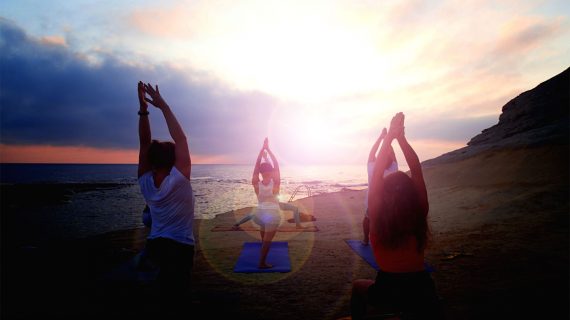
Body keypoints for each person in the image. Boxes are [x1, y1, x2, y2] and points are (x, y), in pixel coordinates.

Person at [351, 113, 443, 319]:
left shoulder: (377, 218)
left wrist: (389, 137)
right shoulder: (419, 214)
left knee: (358, 287)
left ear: (384, 194)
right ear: (410, 193)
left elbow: (376, 176)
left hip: (389, 288)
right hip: (422, 289)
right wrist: (400, 138)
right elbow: (416, 170)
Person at [136, 81, 195, 310]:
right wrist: (164, 106)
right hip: (179, 247)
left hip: (155, 245)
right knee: (177, 299)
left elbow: (143, 143)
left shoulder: (145, 182)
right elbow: (181, 139)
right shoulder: (179, 179)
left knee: (159, 295)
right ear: (173, 160)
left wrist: (143, 109)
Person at [232, 138, 286, 269]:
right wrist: (268, 150)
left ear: (261, 173)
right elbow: (276, 164)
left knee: (264, 235)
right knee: (268, 241)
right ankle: (262, 263)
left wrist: (262, 151)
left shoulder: (256, 183)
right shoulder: (276, 183)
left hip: (260, 213)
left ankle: (262, 253)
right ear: (271, 172)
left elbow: (256, 167)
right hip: (272, 213)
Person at [362, 128, 398, 245]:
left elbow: (372, 153)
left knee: (368, 219)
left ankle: (366, 240)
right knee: (386, 220)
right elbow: (392, 154)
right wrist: (388, 139)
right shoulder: (393, 170)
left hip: (372, 202)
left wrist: (381, 137)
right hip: (389, 202)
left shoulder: (372, 168)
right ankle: (385, 240)